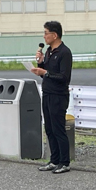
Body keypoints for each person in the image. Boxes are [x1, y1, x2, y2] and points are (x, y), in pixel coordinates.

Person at [31, 20, 72, 174]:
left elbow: (64, 77)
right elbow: (46, 75)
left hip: (58, 96)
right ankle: (54, 160)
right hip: (47, 93)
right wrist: (41, 65)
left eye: (46, 33)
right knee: (49, 128)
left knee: (58, 129)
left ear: (54, 35)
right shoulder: (48, 52)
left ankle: (64, 162)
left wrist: (45, 72)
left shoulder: (64, 52)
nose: (44, 36)